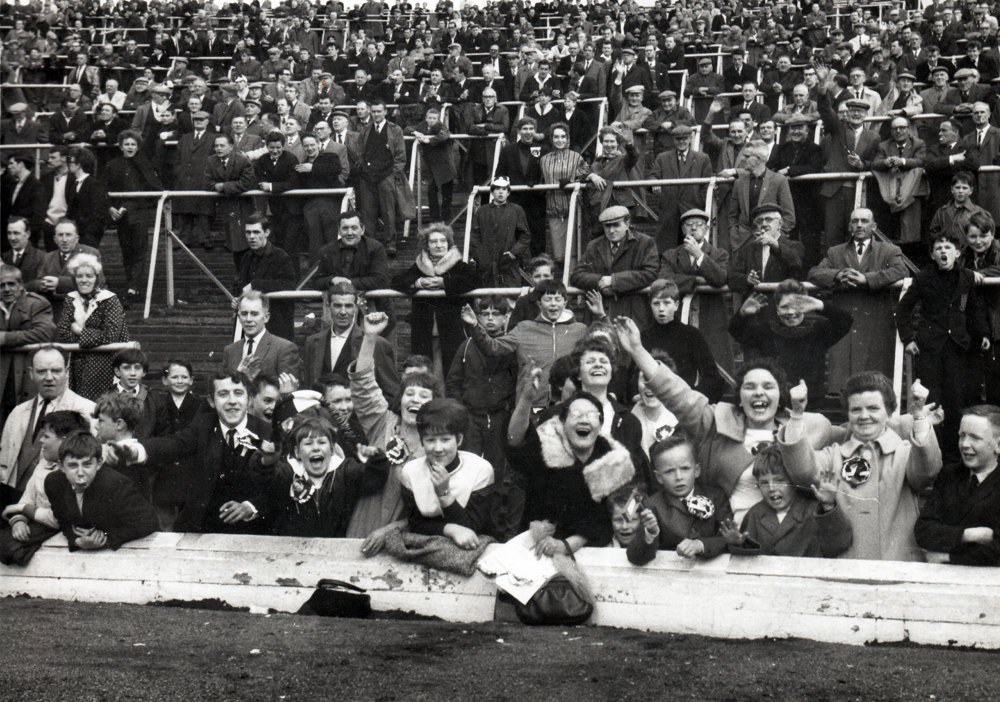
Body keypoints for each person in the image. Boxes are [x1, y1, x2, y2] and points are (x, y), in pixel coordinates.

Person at [614, 315, 832, 525]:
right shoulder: (717, 421)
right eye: (749, 387)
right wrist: (638, 350)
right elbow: (677, 394)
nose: (758, 393)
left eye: (768, 387)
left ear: (781, 394)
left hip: (786, 536)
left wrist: (796, 416)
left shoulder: (806, 426)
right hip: (730, 537)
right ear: (739, 396)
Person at [779, 374, 941, 562]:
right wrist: (797, 415)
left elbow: (927, 471)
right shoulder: (834, 456)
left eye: (873, 408)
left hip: (898, 567)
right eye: (856, 410)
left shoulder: (904, 454)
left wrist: (919, 415)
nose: (864, 416)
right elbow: (803, 472)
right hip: (847, 568)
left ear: (888, 413)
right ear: (847, 414)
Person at [109, 371, 277, 534]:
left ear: (249, 400)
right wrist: (135, 450)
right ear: (212, 401)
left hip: (251, 531)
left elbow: (278, 483)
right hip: (201, 527)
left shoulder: (267, 433)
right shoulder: (203, 426)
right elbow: (171, 444)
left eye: (238, 393)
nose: (232, 401)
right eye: (223, 394)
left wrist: (250, 507)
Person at [506, 389, 634, 554]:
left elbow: (618, 513)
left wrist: (568, 545)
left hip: (595, 551)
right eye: (576, 414)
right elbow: (515, 441)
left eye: (592, 415)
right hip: (539, 549)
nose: (584, 420)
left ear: (601, 424)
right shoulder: (545, 449)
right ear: (562, 422)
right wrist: (525, 399)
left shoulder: (614, 459)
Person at [347, 312, 438, 541]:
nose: (415, 399)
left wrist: (390, 532)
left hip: (404, 532)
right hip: (365, 521)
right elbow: (363, 384)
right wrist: (369, 337)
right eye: (410, 393)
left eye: (423, 395)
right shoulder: (383, 422)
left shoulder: (436, 445)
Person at [897, 234, 991, 454]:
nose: (943, 252)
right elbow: (903, 309)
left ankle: (955, 455)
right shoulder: (922, 278)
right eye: (938, 248)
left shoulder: (967, 277)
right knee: (933, 401)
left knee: (957, 399)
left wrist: (983, 334)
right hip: (930, 349)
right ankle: (931, 452)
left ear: (957, 253)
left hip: (958, 348)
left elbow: (974, 309)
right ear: (932, 254)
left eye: (948, 247)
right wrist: (909, 338)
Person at [808, 208, 911, 390]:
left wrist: (867, 279)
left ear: (874, 226)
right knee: (845, 383)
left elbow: (901, 271)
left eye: (864, 221)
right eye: (855, 221)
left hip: (875, 322)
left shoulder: (889, 250)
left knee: (876, 382)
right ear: (849, 226)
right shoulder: (835, 252)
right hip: (846, 323)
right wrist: (838, 275)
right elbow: (814, 273)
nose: (859, 225)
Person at [461, 279, 587, 406]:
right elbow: (492, 347)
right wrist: (475, 325)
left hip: (570, 404)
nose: (553, 304)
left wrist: (602, 316)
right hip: (531, 407)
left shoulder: (580, 330)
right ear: (539, 303)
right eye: (548, 299)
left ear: (565, 303)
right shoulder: (524, 328)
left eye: (558, 299)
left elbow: (601, 349)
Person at [0, 346, 96, 504]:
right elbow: (3, 462)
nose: (49, 377)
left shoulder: (87, 411)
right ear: (31, 373)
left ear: (66, 371)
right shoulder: (18, 413)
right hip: (12, 502)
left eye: (56, 371)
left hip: (57, 505)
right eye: (42, 371)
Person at [721, 444, 852, 558]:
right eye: (764, 483)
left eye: (779, 480)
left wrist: (828, 505)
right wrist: (737, 543)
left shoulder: (813, 510)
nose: (771, 488)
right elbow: (748, 559)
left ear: (794, 482)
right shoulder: (755, 515)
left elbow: (839, 545)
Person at [269, 414, 390, 538]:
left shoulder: (345, 471)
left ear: (332, 450)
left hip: (337, 547)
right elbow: (266, 477)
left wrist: (376, 458)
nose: (316, 448)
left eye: (322, 442)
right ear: (297, 452)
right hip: (295, 549)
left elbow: (374, 478)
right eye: (308, 443)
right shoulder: (288, 473)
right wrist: (265, 460)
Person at [731, 280, 853, 400]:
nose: (790, 312)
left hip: (812, 401)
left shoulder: (818, 330)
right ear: (777, 309)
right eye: (784, 307)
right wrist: (742, 314)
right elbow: (736, 332)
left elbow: (846, 321)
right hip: (777, 401)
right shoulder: (765, 331)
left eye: (796, 307)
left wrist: (820, 305)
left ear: (806, 306)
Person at [399, 399, 496, 547]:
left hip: (474, 546)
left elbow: (473, 529)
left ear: (459, 440)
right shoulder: (411, 472)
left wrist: (445, 494)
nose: (438, 448)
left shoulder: (480, 470)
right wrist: (450, 529)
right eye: (430, 440)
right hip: (428, 545)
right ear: (422, 442)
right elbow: (415, 523)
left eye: (445, 439)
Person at [626, 431, 733, 564]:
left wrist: (700, 545)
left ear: (697, 470)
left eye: (685, 468)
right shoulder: (653, 506)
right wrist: (650, 533)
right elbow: (635, 557)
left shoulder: (716, 497)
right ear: (659, 477)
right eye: (670, 471)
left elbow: (727, 538)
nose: (679, 477)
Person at [0, 410, 90, 565]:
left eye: (46, 436)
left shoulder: (76, 472)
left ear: (65, 441)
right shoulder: (43, 464)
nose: (41, 440)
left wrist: (27, 510)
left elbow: (64, 518)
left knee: (5, 543)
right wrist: (18, 521)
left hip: (53, 524)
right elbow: (27, 498)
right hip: (35, 519)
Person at [915, 405, 1000, 566]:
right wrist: (968, 535)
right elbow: (923, 531)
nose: (965, 444)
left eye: (975, 438)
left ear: (998, 446)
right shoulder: (949, 475)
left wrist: (948, 557)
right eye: (962, 436)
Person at [44, 432, 158, 552]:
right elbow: (64, 521)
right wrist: (76, 541)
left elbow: (149, 522)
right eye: (72, 466)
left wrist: (105, 537)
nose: (80, 472)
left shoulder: (116, 484)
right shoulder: (54, 483)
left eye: (87, 464)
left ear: (98, 463)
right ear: (61, 466)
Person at [391, 223, 478, 376]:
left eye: (443, 241)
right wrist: (419, 282)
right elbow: (397, 281)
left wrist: (443, 283)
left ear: (449, 243)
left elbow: (474, 280)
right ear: (427, 245)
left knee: (452, 372)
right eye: (433, 241)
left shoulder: (459, 266)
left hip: (451, 329)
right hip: (424, 330)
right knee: (425, 372)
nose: (439, 245)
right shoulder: (419, 267)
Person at [445, 296, 516, 476]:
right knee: (468, 463)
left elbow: (516, 380)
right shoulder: (467, 345)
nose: (490, 318)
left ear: (505, 318)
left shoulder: (509, 345)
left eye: (495, 314)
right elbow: (453, 381)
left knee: (497, 465)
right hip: (472, 415)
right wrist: (462, 409)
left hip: (499, 415)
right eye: (485, 314)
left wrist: (508, 408)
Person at [301, 281, 399, 400]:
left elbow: (392, 392)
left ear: (356, 307)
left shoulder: (376, 343)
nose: (343, 312)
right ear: (328, 306)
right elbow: (308, 387)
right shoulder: (312, 342)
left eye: (348, 306)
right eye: (337, 305)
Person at [55, 253, 129, 401]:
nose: (84, 280)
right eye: (79, 276)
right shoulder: (71, 299)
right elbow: (62, 333)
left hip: (105, 364)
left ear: (97, 278)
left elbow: (111, 335)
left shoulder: (110, 300)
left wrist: (79, 331)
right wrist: (93, 337)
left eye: (89, 276)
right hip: (77, 365)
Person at [571, 205, 658, 330]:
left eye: (616, 225)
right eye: (607, 226)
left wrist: (614, 281)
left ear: (627, 224)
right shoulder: (594, 246)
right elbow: (576, 275)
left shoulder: (645, 243)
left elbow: (651, 273)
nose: (611, 231)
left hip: (632, 314)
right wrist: (601, 280)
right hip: (600, 313)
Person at [640, 279, 725, 403]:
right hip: (651, 401)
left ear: (676, 305)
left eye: (666, 303)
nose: (661, 309)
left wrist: (692, 399)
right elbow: (634, 377)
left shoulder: (691, 335)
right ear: (650, 305)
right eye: (656, 303)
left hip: (682, 404)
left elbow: (712, 378)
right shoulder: (644, 337)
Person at [102, 130, 163, 298]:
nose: (130, 147)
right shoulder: (113, 164)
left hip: (139, 213)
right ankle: (130, 282)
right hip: (120, 215)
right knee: (126, 250)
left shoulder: (144, 163)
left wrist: (132, 204)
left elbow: (154, 189)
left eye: (133, 144)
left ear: (138, 146)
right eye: (127, 144)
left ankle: (134, 286)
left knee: (139, 250)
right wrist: (110, 208)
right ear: (121, 146)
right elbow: (103, 188)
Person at [0, 264, 56, 416]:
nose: (6, 289)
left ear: (21, 285)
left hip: (25, 373)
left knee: (26, 416)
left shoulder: (36, 304)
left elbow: (45, 333)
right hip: (2, 373)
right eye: (1, 285)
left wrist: (6, 338)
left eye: (11, 284)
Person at [233, 214, 297, 342]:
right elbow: (239, 285)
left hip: (275, 324)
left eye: (256, 232)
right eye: (248, 232)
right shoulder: (246, 257)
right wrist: (236, 298)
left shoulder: (281, 256)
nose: (251, 237)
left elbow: (289, 285)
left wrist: (255, 285)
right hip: (250, 325)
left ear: (267, 232)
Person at [356, 99, 408, 257]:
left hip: (387, 176)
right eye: (373, 112)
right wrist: (363, 169)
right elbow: (360, 153)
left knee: (388, 211)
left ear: (385, 112)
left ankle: (390, 243)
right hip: (368, 176)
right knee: (368, 212)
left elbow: (400, 156)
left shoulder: (395, 129)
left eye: (379, 111)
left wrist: (392, 174)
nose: (376, 114)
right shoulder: (365, 130)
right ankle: (369, 245)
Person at [649, 124, 712, 252]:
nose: (681, 142)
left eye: (685, 138)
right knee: (667, 248)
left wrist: (699, 201)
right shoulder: (663, 157)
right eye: (678, 139)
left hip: (691, 210)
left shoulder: (702, 159)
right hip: (669, 210)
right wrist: (654, 182)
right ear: (673, 140)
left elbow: (707, 185)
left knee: (692, 247)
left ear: (691, 139)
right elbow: (652, 176)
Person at [24, 219, 101, 319]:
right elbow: (39, 280)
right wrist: (43, 285)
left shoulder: (90, 253)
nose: (64, 240)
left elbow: (98, 284)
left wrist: (60, 283)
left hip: (83, 311)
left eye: (68, 235)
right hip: (55, 312)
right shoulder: (48, 257)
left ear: (77, 238)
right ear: (55, 239)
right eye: (60, 235)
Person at [727, 142, 795, 253]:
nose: (743, 159)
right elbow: (732, 215)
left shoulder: (779, 180)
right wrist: (735, 235)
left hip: (769, 241)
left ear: (759, 159)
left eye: (747, 156)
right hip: (743, 243)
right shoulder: (739, 183)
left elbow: (789, 216)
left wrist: (776, 237)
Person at [539, 122, 589, 267]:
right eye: (556, 137)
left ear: (567, 138)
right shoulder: (544, 159)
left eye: (562, 137)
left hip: (573, 210)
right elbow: (541, 180)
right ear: (551, 139)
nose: (559, 140)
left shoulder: (576, 157)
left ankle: (572, 285)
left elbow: (586, 175)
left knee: (573, 254)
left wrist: (572, 181)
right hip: (554, 210)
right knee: (559, 256)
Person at [727, 203, 805, 296]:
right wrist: (746, 279)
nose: (764, 224)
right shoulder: (747, 249)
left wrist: (775, 244)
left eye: (769, 220)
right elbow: (732, 277)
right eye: (760, 221)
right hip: (754, 306)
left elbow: (796, 266)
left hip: (782, 305)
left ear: (780, 224)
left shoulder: (794, 246)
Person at [222, 291, 302, 382]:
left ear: (266, 317)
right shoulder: (230, 351)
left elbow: (288, 390)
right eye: (244, 314)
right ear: (239, 317)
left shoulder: (284, 348)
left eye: (254, 314)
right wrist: (239, 376)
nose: (248, 319)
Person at [494, 117, 546, 256]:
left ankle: (538, 267)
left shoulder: (543, 150)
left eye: (531, 129)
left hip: (536, 201)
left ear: (535, 131)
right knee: (516, 236)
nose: (528, 132)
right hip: (516, 200)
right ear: (518, 131)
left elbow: (547, 174)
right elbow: (500, 174)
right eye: (525, 129)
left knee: (537, 237)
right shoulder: (508, 150)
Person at [204, 132, 257, 262]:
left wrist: (224, 186)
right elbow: (207, 182)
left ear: (231, 146)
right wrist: (217, 186)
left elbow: (247, 183)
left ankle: (247, 274)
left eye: (222, 145)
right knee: (233, 243)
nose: (218, 149)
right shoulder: (211, 161)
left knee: (245, 243)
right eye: (216, 146)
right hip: (226, 207)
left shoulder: (242, 161)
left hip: (242, 206)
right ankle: (240, 275)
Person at [470, 176, 530, 288]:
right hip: (486, 264)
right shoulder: (482, 211)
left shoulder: (516, 210)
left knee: (509, 295)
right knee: (488, 296)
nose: (501, 192)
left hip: (508, 263)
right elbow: (474, 237)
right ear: (492, 192)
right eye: (497, 189)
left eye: (504, 189)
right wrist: (481, 256)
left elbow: (525, 235)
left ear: (508, 192)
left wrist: (513, 253)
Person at [311, 211, 390, 292]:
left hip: (370, 301)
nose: (349, 233)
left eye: (354, 228)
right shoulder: (326, 251)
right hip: (337, 302)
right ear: (339, 230)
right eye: (345, 228)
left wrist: (349, 283)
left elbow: (381, 280)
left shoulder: (375, 248)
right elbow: (316, 282)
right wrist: (332, 280)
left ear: (362, 230)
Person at [172, 111, 216, 250]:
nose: (198, 122)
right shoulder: (185, 138)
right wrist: (179, 172)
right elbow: (177, 158)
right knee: (185, 210)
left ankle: (205, 238)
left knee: (203, 211)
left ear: (207, 121)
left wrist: (209, 175)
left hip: (203, 179)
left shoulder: (213, 138)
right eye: (196, 120)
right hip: (185, 179)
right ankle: (185, 238)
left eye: (201, 120)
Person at [404, 106, 455, 222]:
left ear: (438, 119)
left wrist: (429, 140)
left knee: (447, 195)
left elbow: (444, 135)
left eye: (434, 118)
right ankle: (434, 219)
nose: (431, 120)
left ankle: (446, 220)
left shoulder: (441, 126)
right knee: (431, 192)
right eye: (429, 118)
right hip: (431, 165)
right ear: (426, 118)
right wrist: (415, 132)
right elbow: (407, 128)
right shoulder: (422, 126)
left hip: (444, 165)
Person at [928, 172, 991, 243]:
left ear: (971, 190)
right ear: (952, 189)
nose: (960, 191)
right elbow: (933, 234)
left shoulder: (978, 212)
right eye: (957, 187)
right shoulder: (942, 212)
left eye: (964, 188)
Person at [65, 148, 108, 250]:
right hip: (76, 234)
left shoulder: (94, 185)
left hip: (89, 236)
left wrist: (89, 233)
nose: (68, 165)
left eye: (71, 162)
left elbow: (99, 213)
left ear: (79, 164)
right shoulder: (73, 185)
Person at [109, 348, 156, 439]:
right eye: (127, 368)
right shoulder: (106, 397)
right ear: (117, 371)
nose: (133, 373)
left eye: (137, 368)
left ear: (144, 372)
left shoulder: (153, 399)